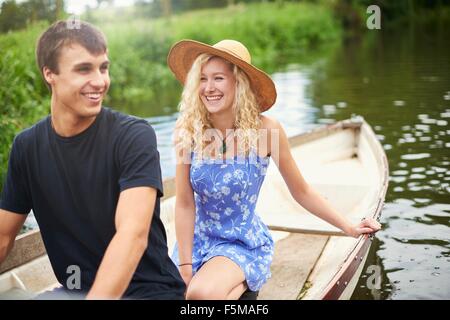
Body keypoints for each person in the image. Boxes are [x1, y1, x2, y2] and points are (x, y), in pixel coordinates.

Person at [167, 39, 382, 300]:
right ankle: (242, 291)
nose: (209, 88)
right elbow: (185, 203)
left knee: (199, 294)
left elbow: (301, 191)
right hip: (198, 240)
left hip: (239, 241)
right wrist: (185, 264)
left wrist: (348, 227)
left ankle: (244, 279)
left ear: (239, 82)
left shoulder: (266, 132)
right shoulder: (186, 130)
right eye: (202, 79)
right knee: (174, 293)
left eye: (218, 78)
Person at [0, 20, 185, 299]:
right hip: (75, 291)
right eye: (84, 69)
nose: (100, 81)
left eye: (103, 67)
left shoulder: (133, 136)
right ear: (49, 73)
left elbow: (131, 236)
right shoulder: (27, 147)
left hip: (149, 292)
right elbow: (3, 237)